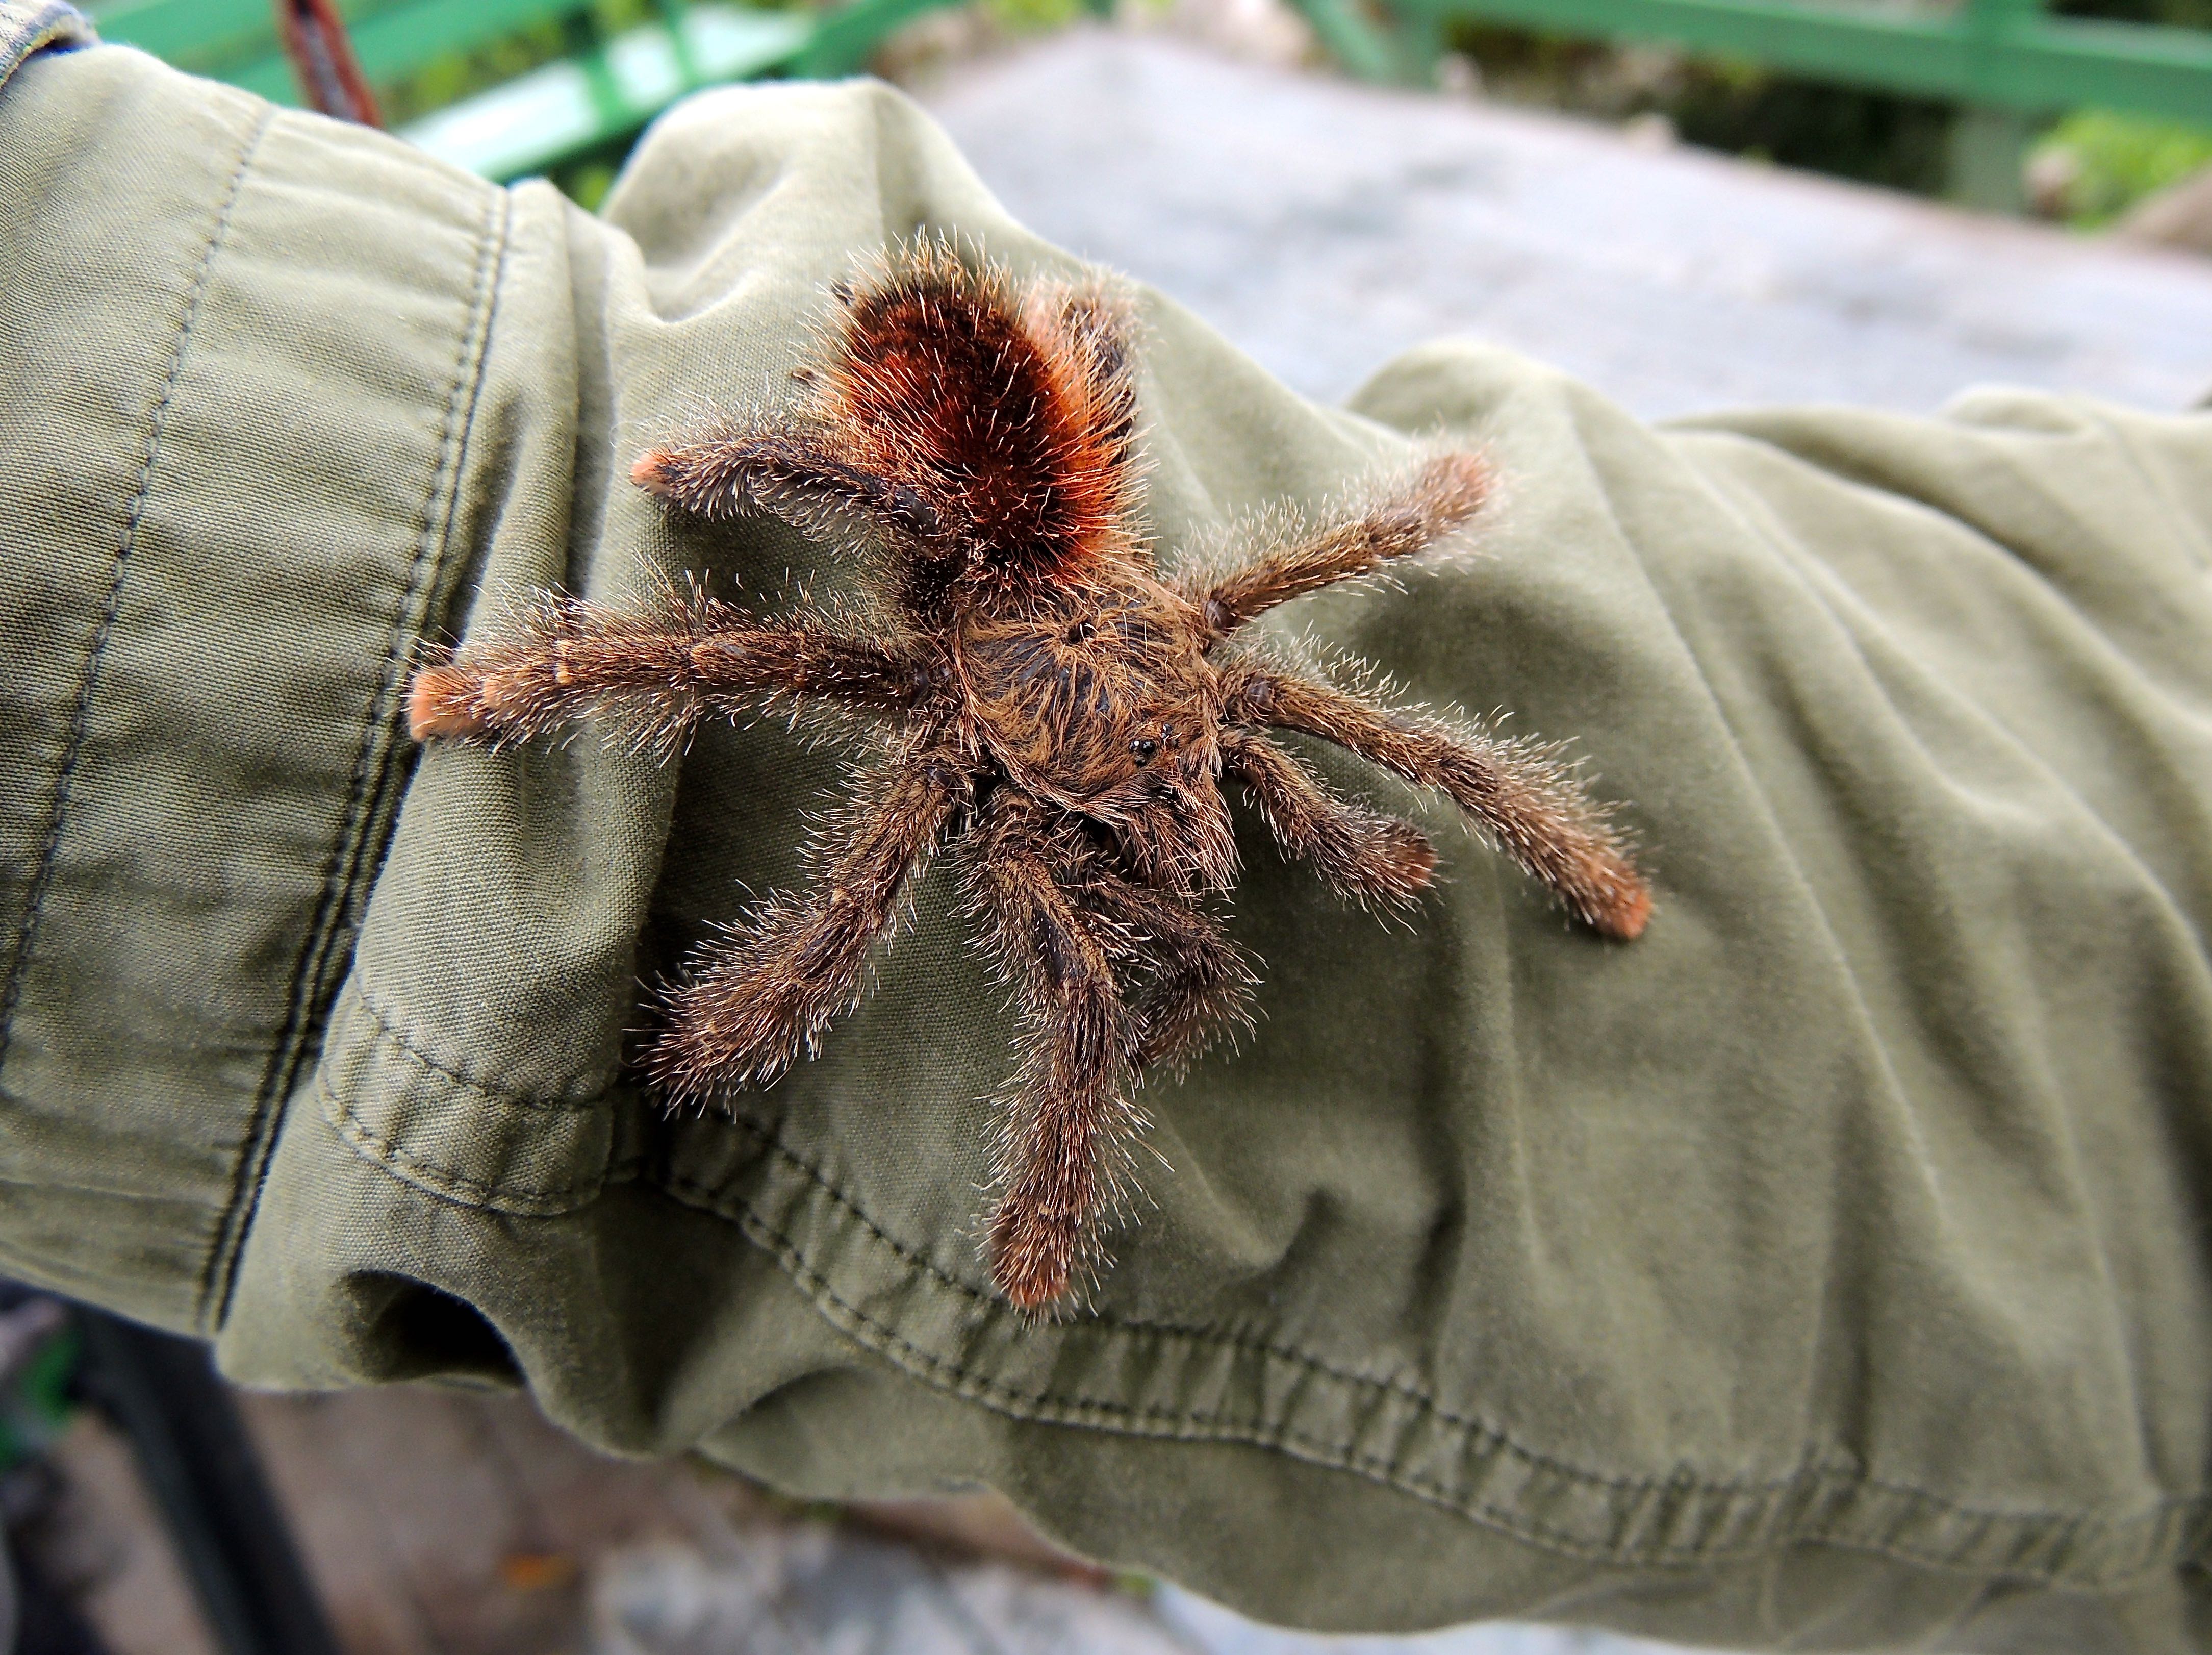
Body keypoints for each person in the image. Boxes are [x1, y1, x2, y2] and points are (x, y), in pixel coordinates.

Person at [2, 4, 2209, 1647]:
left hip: (1073, 574)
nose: (1182, 806)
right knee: (1024, 933)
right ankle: (591, 748)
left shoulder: (1204, 648)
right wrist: (533, 642)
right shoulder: (933, 678)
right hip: (966, 516)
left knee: (1347, 743)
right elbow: (761, 679)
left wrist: (1395, 785)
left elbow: (1351, 650)